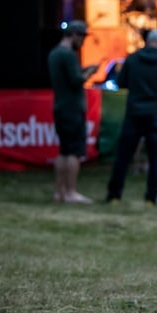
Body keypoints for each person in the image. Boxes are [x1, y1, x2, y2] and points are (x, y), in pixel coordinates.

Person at [104, 29, 157, 205]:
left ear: (147, 41)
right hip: (156, 114)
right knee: (156, 157)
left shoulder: (133, 59)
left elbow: (120, 82)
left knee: (123, 156)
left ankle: (114, 196)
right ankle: (151, 197)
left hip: (134, 113)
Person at [48, 20, 99, 204]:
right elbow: (76, 80)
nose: (83, 41)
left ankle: (59, 192)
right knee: (74, 152)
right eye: (82, 37)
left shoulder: (54, 53)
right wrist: (90, 72)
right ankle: (71, 192)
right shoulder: (68, 55)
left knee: (63, 151)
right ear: (75, 35)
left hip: (60, 107)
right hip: (72, 109)